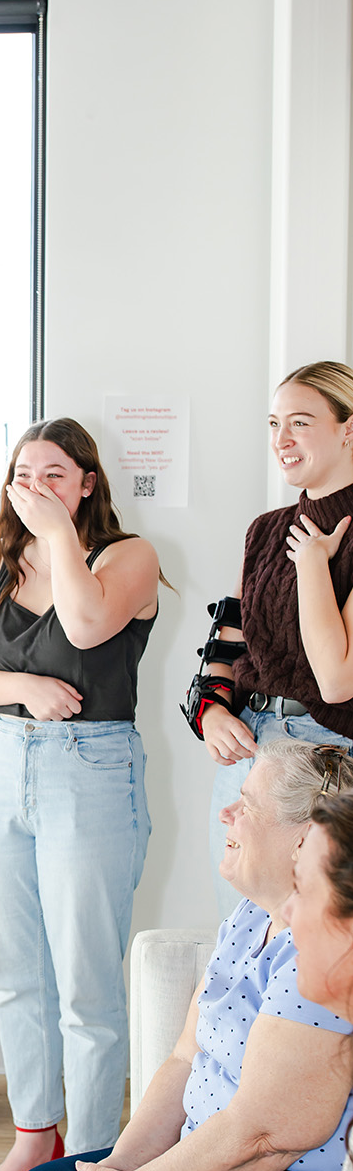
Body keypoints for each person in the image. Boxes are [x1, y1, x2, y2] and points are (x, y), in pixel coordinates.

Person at [4, 740, 353, 1171]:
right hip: (198, 1155)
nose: (227, 815)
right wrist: (115, 1165)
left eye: (246, 805)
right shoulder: (250, 918)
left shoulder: (321, 954)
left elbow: (258, 1140)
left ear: (305, 837)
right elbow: (183, 1061)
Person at [0, 417, 161, 1171]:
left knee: (86, 987)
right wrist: (24, 689)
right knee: (18, 974)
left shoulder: (127, 557)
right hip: (1, 766)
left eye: (54, 475)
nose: (34, 487)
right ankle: (35, 1137)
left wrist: (59, 533)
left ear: (87, 484)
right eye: (23, 475)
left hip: (92, 773)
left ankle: (95, 1163)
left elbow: (87, 623)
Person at [195, 360, 353, 918]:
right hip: (249, 747)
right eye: (272, 423)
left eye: (301, 422)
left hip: (325, 756)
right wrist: (210, 712)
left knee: (308, 936)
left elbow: (337, 681)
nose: (281, 440)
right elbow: (227, 638)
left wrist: (313, 563)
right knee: (238, 933)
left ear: (348, 429)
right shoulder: (265, 529)